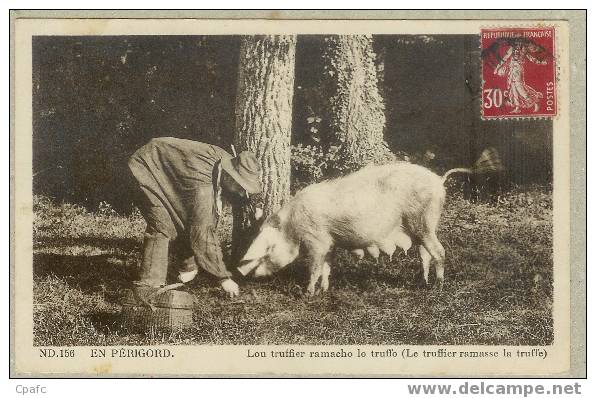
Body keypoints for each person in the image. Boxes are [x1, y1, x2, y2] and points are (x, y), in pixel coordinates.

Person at [127, 137, 262, 304]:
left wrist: (252, 207)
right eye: (241, 187)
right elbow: (202, 233)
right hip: (145, 166)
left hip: (163, 166)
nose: (242, 193)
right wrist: (223, 278)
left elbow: (203, 217)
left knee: (182, 220)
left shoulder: (227, 161)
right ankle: (148, 290)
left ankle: (184, 268)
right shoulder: (203, 189)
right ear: (229, 177)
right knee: (163, 226)